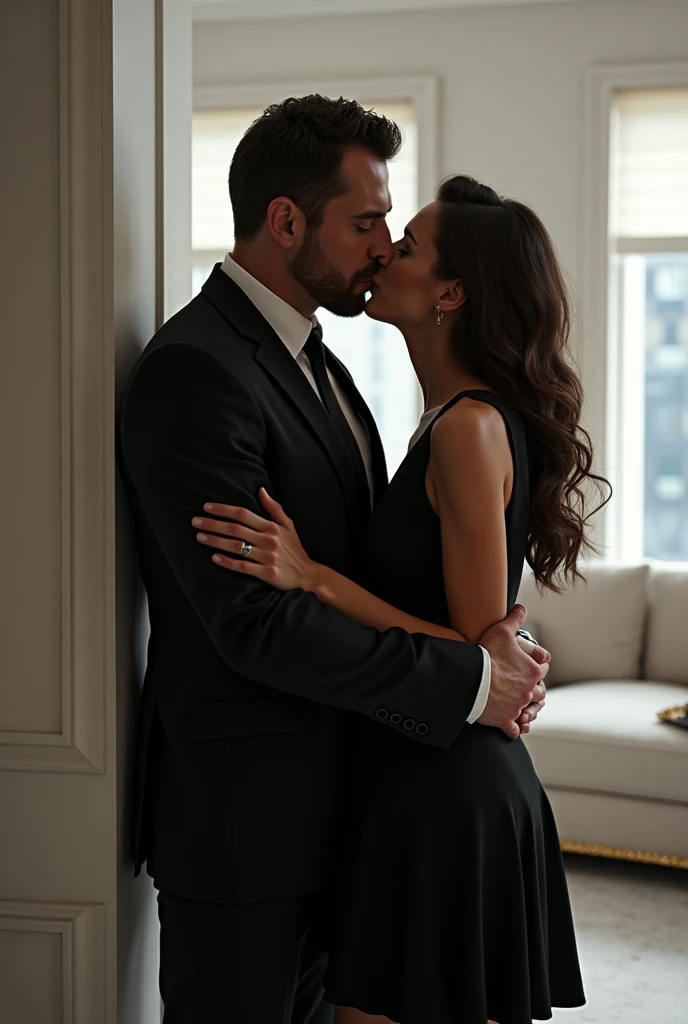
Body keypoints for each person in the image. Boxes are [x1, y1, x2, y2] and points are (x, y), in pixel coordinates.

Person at [117, 96, 549, 1024]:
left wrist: (477, 658)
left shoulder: (330, 366)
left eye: (392, 225)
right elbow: (254, 624)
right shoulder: (197, 369)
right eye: (366, 222)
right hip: (249, 827)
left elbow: (372, 574)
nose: (383, 245)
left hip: (358, 805)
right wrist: (471, 679)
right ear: (285, 221)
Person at [193, 174, 612, 1024]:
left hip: (447, 790)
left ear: (451, 293)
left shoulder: (465, 428)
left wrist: (314, 577)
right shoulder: (444, 418)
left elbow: (468, 647)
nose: (385, 250)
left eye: (408, 244)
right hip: (422, 771)